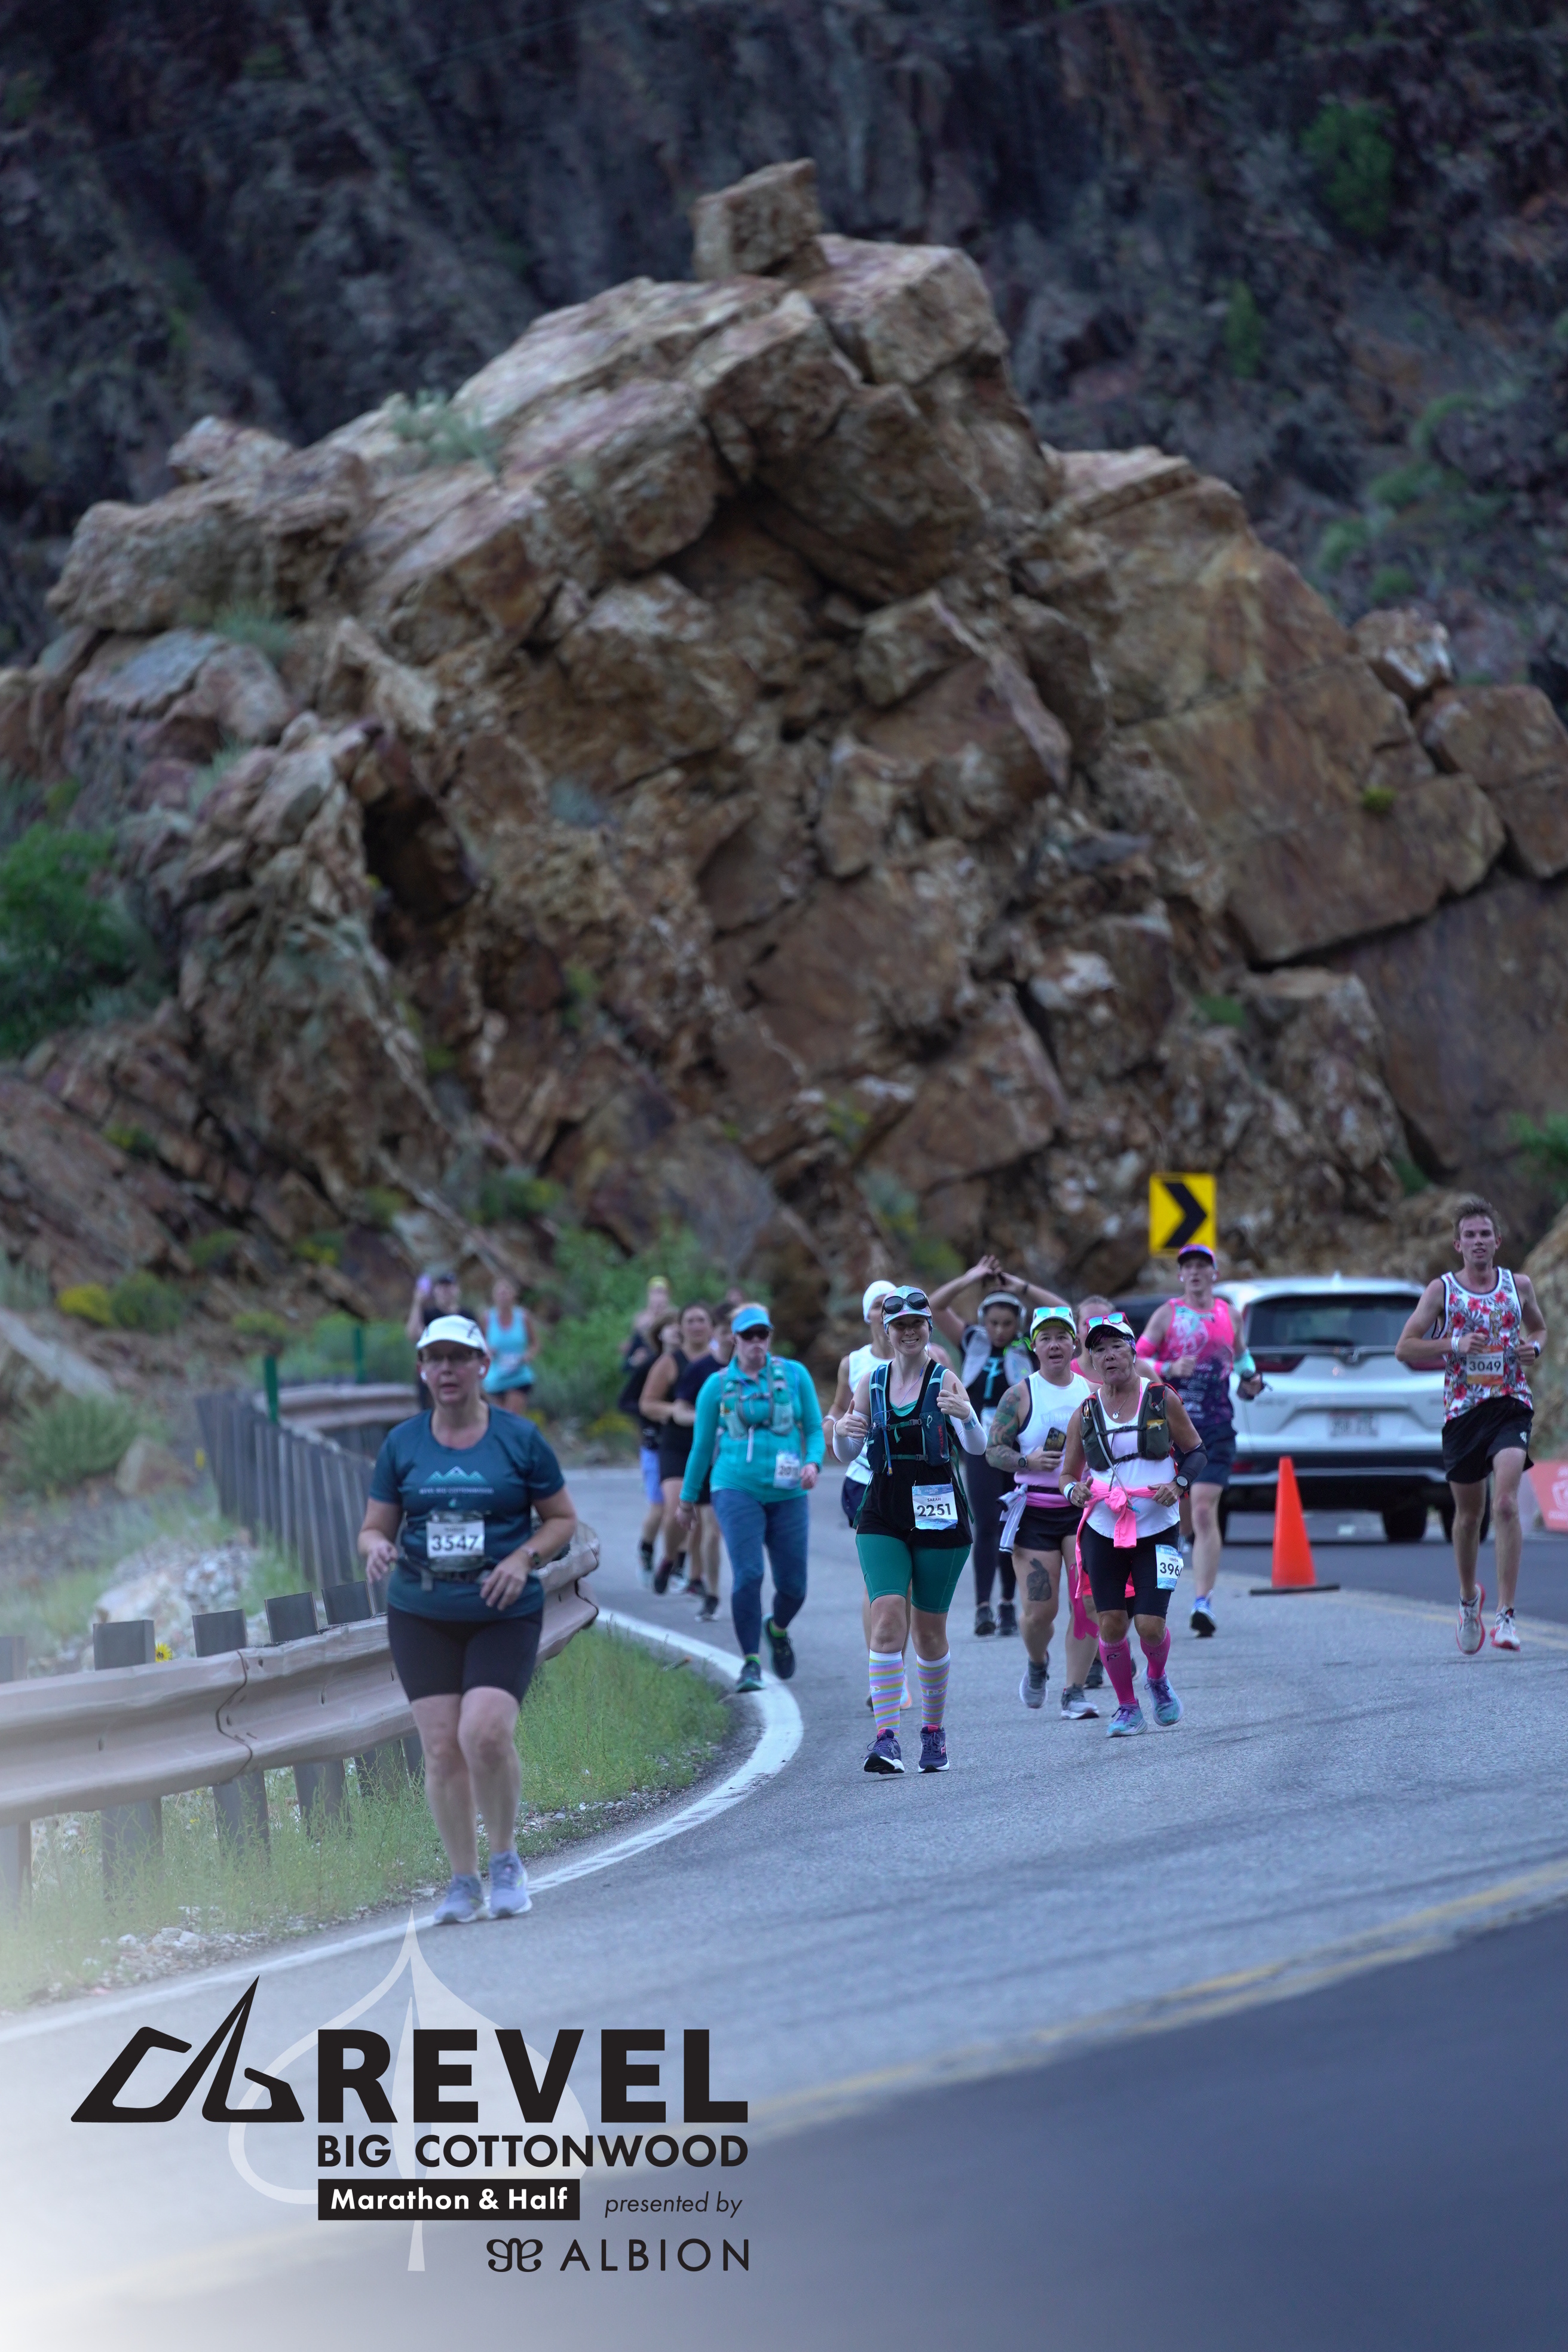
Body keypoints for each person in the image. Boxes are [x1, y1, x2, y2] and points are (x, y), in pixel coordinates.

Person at [357, 1315, 578, 1923]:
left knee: (483, 1734)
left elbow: (561, 1519)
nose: (447, 1369)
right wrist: (376, 1547)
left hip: (501, 1608)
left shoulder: (519, 1439)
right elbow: (373, 1527)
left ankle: (505, 1861)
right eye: (436, 1359)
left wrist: (523, 1557)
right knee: (440, 1748)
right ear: (423, 1370)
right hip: (421, 1610)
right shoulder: (403, 1443)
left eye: (459, 1357)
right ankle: (462, 1880)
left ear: (484, 1365)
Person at [833, 1285, 988, 1774]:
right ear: (886, 1330)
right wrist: (841, 1434)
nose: (908, 1333)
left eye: (916, 1324)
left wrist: (967, 1417)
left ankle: (933, 1731)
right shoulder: (871, 1383)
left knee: (928, 1633)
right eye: (898, 1325)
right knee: (886, 1618)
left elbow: (977, 1447)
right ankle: (886, 1740)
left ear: (928, 1328)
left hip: (939, 1513)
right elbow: (847, 1452)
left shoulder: (945, 1379)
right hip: (882, 1510)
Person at [1395, 1197, 1546, 1653]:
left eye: (1485, 1234)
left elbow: (1539, 1330)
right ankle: (1467, 1600)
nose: (1478, 1242)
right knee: (1468, 1517)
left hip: (1510, 1404)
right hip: (1463, 1411)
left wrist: (1534, 1349)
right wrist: (1454, 1343)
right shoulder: (1441, 1291)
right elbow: (1405, 1347)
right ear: (1457, 1244)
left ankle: (1506, 1616)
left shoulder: (1519, 1286)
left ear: (1497, 1241)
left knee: (1506, 1503)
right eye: (1470, 1235)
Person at [1060, 1310, 1205, 1738]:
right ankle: (1127, 1707)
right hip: (1104, 1528)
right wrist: (1073, 1492)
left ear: (1132, 1351)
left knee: (1149, 1625)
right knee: (1110, 1622)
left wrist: (1178, 1484)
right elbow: (1067, 1474)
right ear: (1091, 1360)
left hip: (1158, 1528)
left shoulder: (1160, 1398)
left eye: (1116, 1347)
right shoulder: (1086, 1412)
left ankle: (1157, 1679)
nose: (1109, 1356)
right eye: (1099, 1350)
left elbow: (1197, 1452)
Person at [678, 1303, 824, 1692]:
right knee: (749, 1574)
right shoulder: (717, 1386)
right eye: (749, 1335)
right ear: (735, 1339)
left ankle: (776, 1629)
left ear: (769, 1338)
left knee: (794, 1586)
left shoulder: (795, 1375)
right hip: (735, 1488)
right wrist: (687, 1500)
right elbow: (701, 1447)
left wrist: (813, 1463)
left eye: (763, 1335)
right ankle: (751, 1662)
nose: (757, 1342)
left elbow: (814, 1428)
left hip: (788, 1491)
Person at [928, 1255, 1071, 1635]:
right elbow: (934, 1306)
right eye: (993, 1323)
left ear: (1018, 1324)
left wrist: (1018, 1286)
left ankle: (1008, 1604)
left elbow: (1063, 1312)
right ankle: (982, 1607)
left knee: (1013, 1522)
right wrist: (971, 1276)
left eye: (1007, 1324)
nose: (999, 1330)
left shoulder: (1029, 1347)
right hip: (980, 1446)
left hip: (1019, 1448)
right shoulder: (972, 1341)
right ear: (983, 1321)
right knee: (987, 1524)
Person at [1135, 1244, 1263, 1637]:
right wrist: (1169, 1367)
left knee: (1206, 1510)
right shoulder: (1168, 1314)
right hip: (1173, 1427)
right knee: (1184, 1512)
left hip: (1216, 1427)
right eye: (1187, 1266)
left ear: (1214, 1274)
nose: (1194, 1272)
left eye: (1202, 1266)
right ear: (1180, 1276)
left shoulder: (1229, 1315)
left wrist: (1252, 1379)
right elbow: (1136, 1357)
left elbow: (1241, 1358)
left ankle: (1203, 1602)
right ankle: (1186, 1544)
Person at [986, 1304, 1101, 1716]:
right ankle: (1038, 1663)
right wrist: (1026, 1461)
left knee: (1089, 1603)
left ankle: (1075, 1691)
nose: (1054, 1345)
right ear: (1034, 1346)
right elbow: (992, 1450)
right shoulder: (1019, 1395)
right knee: (1039, 1613)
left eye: (1062, 1337)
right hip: (1034, 1511)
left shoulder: (1092, 1392)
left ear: (1075, 1344)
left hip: (1084, 1510)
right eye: (1046, 1338)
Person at [825, 1279, 913, 1711]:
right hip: (865, 1478)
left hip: (913, 1479)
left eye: (891, 1305)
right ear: (868, 1315)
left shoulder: (927, 1358)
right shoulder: (855, 1363)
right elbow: (839, 1408)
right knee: (878, 1580)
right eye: (878, 1305)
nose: (884, 1312)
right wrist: (834, 1426)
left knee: (908, 1582)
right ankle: (883, 1675)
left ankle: (898, 1670)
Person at [640, 1301, 716, 1597]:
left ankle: (695, 1577)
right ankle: (669, 1558)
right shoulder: (670, 1362)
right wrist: (676, 1411)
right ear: (681, 1327)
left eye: (702, 1320)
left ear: (712, 1326)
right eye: (690, 1321)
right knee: (677, 1511)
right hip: (677, 1445)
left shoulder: (721, 1362)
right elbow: (648, 1404)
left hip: (710, 1446)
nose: (696, 1326)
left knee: (703, 1517)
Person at [618, 1280, 673, 1583]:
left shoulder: (693, 1367)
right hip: (654, 1444)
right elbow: (626, 1400)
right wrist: (651, 1414)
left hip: (683, 1445)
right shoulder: (648, 1364)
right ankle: (647, 1550)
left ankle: (679, 1566)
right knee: (660, 1507)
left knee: (684, 1508)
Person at [406, 1268, 466, 1410]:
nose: (446, 1291)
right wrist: (417, 1303)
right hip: (432, 1375)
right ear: (435, 1291)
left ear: (457, 1290)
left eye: (449, 1287)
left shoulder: (466, 1316)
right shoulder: (429, 1315)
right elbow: (413, 1334)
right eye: (442, 1287)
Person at [483, 1275, 535, 1414]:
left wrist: (528, 1356)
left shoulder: (523, 1317)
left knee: (512, 1415)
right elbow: (480, 1342)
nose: (503, 1297)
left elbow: (535, 1343)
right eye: (500, 1293)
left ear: (514, 1295)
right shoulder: (487, 1318)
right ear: (494, 1296)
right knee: (499, 1418)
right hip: (496, 1376)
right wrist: (488, 1350)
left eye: (506, 1292)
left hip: (519, 1375)